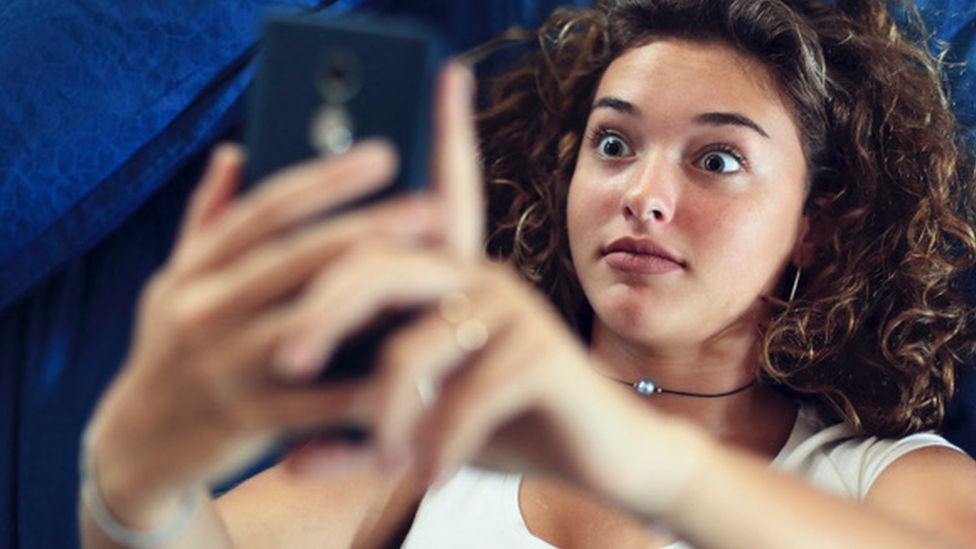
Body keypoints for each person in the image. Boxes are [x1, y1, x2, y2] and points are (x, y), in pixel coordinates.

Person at [79, 0, 976, 547]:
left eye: (719, 160)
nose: (642, 194)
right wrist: (136, 478)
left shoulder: (879, 480)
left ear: (816, 228)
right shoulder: (441, 430)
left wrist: (650, 465)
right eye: (614, 143)